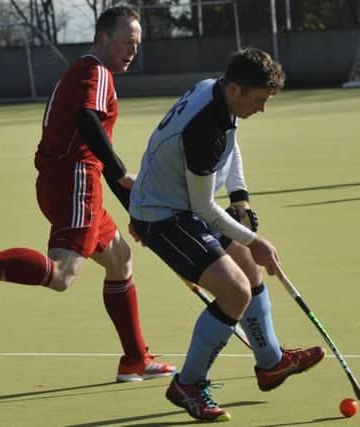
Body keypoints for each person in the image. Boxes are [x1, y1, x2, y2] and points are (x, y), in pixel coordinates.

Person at [0, 6, 175, 383]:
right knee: (62, 274)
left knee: (120, 259)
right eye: (127, 42)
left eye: (137, 44)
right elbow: (88, 124)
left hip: (68, 178)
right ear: (103, 38)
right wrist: (124, 171)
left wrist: (134, 212)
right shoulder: (97, 72)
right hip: (76, 180)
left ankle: (135, 360)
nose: (132, 51)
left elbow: (99, 153)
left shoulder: (82, 71)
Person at [128, 48, 325, 422]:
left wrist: (240, 198)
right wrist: (256, 241)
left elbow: (231, 146)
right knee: (235, 291)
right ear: (234, 88)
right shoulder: (205, 130)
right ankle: (188, 383)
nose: (262, 108)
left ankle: (270, 363)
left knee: (250, 270)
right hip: (162, 216)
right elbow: (203, 209)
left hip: (180, 204)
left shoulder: (215, 93)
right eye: (258, 100)